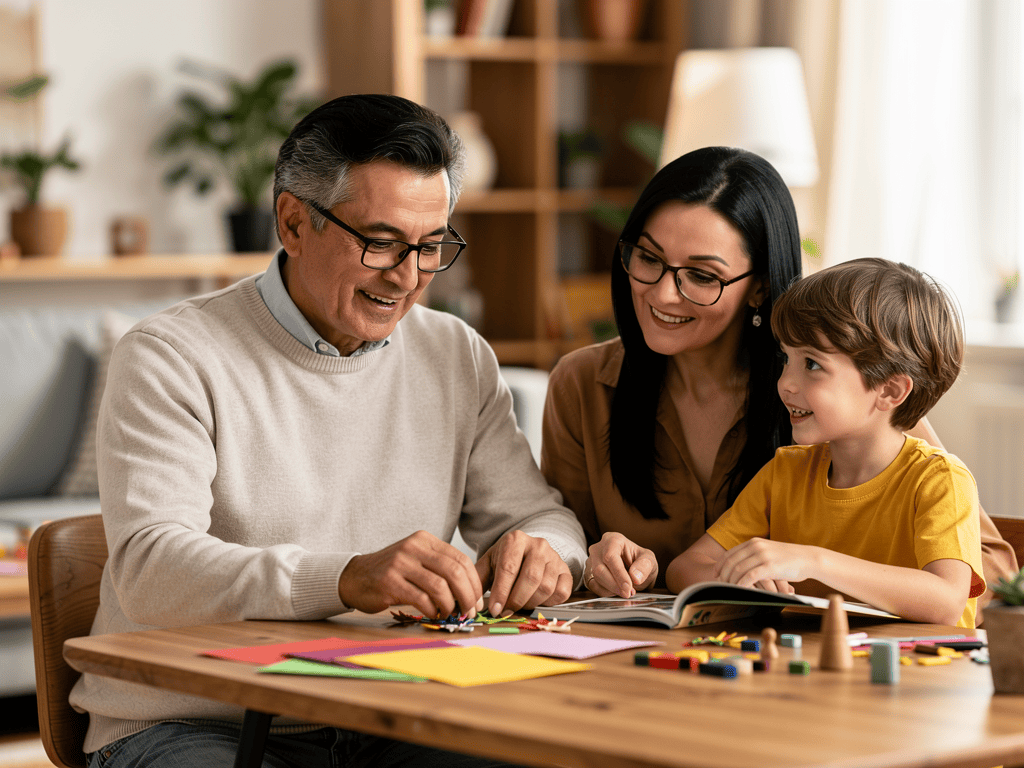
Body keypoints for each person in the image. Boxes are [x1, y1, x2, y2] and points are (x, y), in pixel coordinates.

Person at [69, 94, 586, 768]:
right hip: (193, 718)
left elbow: (540, 515)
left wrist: (546, 551)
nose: (407, 279)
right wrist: (344, 579)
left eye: (431, 247)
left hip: (392, 705)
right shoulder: (171, 354)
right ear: (292, 222)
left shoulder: (456, 354)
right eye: (380, 243)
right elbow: (151, 569)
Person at [541, 146, 1018, 601]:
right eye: (648, 259)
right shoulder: (582, 384)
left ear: (759, 287)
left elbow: (993, 574)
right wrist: (594, 562)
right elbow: (563, 551)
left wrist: (818, 570)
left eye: (702, 276)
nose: (664, 294)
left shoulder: (844, 392)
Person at [666, 258, 984, 628]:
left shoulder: (940, 480)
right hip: (812, 674)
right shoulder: (785, 472)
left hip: (918, 678)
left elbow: (946, 601)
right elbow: (685, 567)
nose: (786, 382)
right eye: (787, 358)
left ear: (889, 389)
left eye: (812, 364)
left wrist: (815, 561)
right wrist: (737, 580)